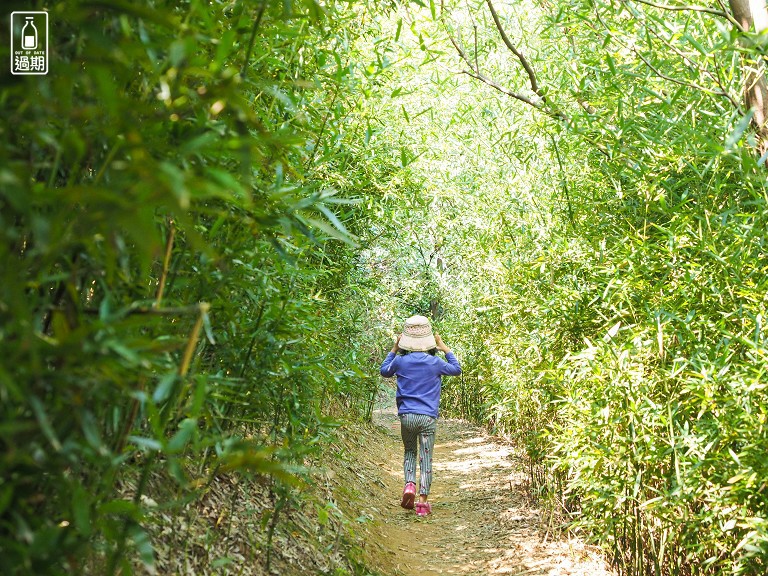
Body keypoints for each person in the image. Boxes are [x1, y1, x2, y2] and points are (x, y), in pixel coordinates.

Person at [379, 315, 461, 516]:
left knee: (409, 452)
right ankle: (422, 503)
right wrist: (444, 347)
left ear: (405, 340)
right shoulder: (435, 362)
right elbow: (456, 369)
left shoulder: (400, 361)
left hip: (407, 416)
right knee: (426, 458)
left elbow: (384, 371)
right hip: (427, 418)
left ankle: (409, 485)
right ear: (429, 341)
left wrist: (393, 349)